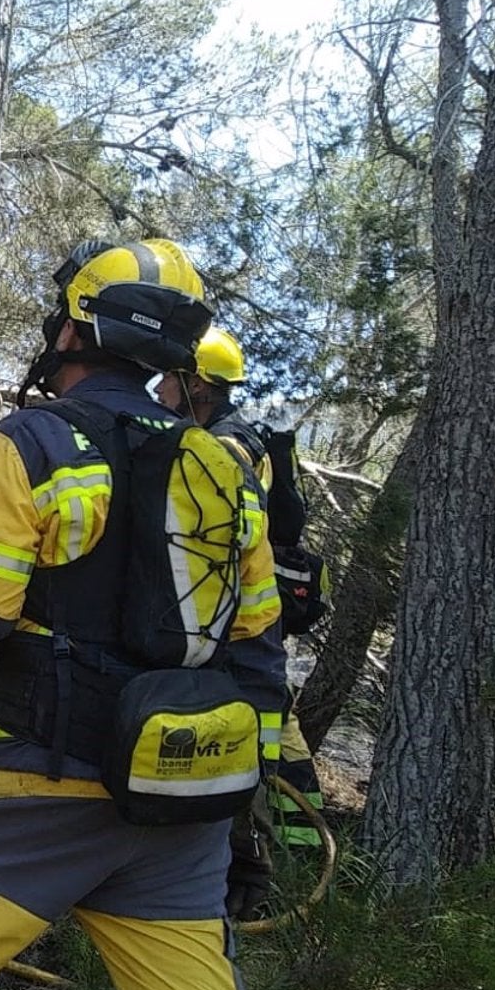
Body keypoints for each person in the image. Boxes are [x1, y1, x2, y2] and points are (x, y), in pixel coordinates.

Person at [0, 240, 286, 990]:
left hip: (44, 780)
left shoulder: (31, 443)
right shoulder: (230, 473)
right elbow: (259, 644)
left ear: (73, 332)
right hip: (186, 804)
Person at [156, 328, 327, 868]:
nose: (159, 387)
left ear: (198, 384)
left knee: (249, 749)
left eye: (169, 378)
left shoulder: (219, 450)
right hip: (261, 627)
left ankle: (257, 862)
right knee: (280, 739)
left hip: (239, 631)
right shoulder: (246, 440)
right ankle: (300, 858)